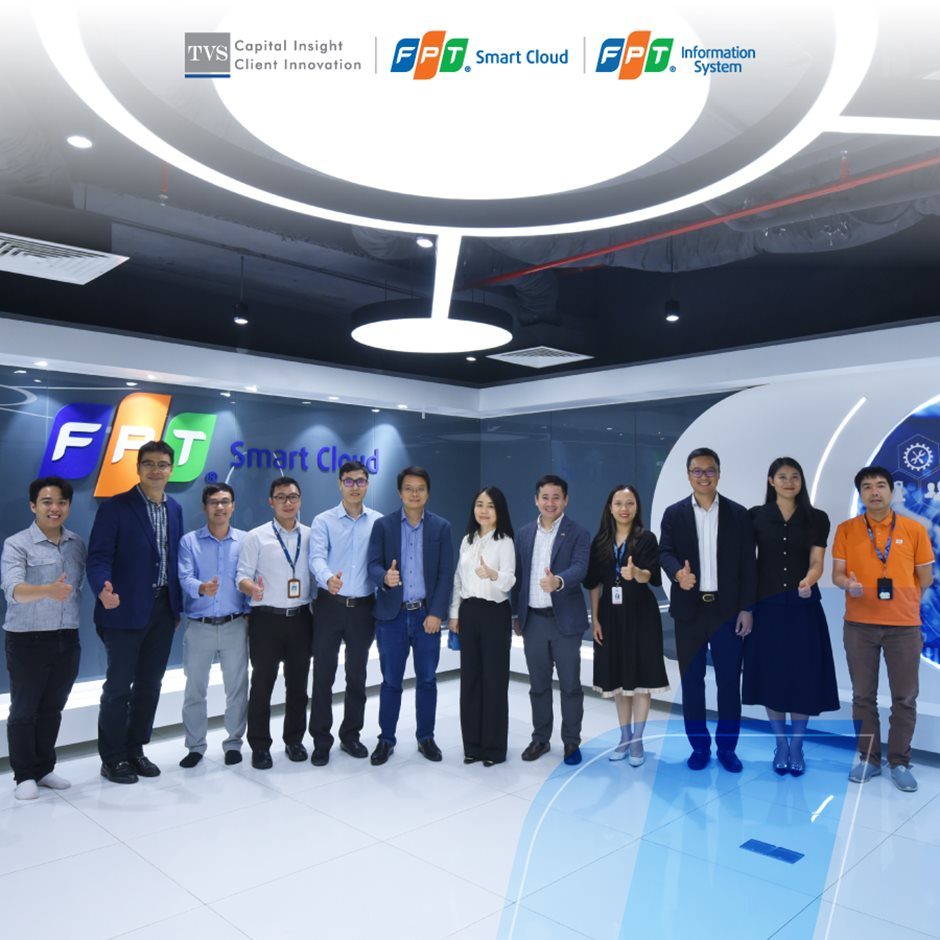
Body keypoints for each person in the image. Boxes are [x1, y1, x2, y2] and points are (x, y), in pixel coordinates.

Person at [87, 440, 184, 784]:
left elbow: (174, 559)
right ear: (138, 467)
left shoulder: (175, 508)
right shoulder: (115, 507)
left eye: (162, 464)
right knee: (118, 688)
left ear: (171, 469)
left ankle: (135, 749)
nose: (156, 470)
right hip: (123, 610)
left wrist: (176, 607)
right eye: (149, 464)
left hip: (163, 610)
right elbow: (98, 557)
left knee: (149, 685)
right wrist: (102, 589)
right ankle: (113, 758)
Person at [832, 465, 934, 792]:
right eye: (866, 487)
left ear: (891, 491)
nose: (874, 492)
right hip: (859, 626)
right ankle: (869, 758)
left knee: (905, 697)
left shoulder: (914, 529)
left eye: (880, 486)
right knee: (863, 696)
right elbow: (837, 574)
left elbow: (926, 577)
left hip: (903, 626)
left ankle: (900, 761)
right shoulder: (847, 530)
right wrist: (848, 584)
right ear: (860, 494)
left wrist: (901, 599)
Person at [659, 447, 756, 773]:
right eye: (697, 471)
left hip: (727, 612)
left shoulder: (738, 514)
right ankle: (699, 746)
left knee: (729, 682)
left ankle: (727, 748)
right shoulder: (674, 514)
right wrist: (677, 574)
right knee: (692, 682)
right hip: (689, 612)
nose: (704, 476)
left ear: (719, 473)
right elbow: (664, 551)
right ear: (688, 475)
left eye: (710, 470)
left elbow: (748, 565)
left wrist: (747, 608)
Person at [742, 458, 839, 776]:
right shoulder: (755, 516)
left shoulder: (816, 518)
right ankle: (780, 743)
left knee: (802, 676)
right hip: (766, 609)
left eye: (794, 476)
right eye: (782, 476)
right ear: (771, 481)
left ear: (801, 481)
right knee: (772, 675)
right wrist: (747, 608)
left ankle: (797, 744)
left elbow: (817, 561)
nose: (788, 482)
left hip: (803, 608)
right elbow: (748, 565)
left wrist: (809, 580)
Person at [1, 477, 85, 800]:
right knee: (24, 709)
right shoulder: (17, 544)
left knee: (53, 707)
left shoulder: (76, 543)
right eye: (47, 502)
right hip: (27, 639)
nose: (55, 508)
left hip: (67, 637)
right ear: (33, 506)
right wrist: (48, 590)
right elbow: (13, 591)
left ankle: (44, 768)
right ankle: (24, 775)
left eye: (61, 502)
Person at [366, 466, 454, 765]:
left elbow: (445, 574)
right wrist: (384, 577)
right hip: (392, 617)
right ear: (399, 492)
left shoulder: (441, 527)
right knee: (391, 681)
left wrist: (437, 613)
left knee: (427, 680)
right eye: (408, 488)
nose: (414, 494)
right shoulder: (383, 526)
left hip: (426, 616)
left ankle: (425, 737)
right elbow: (372, 564)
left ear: (427, 493)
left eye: (420, 489)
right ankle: (386, 739)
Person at [586, 484, 668, 768]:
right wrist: (595, 618)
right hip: (610, 615)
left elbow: (652, 577)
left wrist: (636, 572)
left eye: (630, 503)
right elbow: (593, 583)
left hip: (642, 615)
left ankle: (638, 740)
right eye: (619, 503)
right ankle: (624, 736)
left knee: (642, 679)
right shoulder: (600, 541)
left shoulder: (646, 538)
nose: (624, 508)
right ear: (610, 508)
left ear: (637, 507)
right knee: (619, 680)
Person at [512, 474, 591, 766]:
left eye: (556, 497)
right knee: (538, 685)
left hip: (565, 623)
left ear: (565, 500)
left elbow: (581, 568)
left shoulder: (578, 533)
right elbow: (518, 577)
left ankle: (571, 741)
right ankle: (540, 739)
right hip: (533, 620)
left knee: (570, 686)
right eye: (545, 497)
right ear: (536, 500)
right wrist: (516, 614)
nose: (550, 502)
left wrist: (558, 581)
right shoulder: (524, 533)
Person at [236, 477, 313, 770]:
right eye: (281, 497)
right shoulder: (256, 537)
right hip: (266, 621)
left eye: (293, 497)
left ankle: (294, 740)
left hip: (301, 619)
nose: (288, 502)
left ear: (300, 500)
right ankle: (259, 746)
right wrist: (251, 588)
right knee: (262, 685)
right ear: (271, 502)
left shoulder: (311, 535)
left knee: (298, 685)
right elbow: (241, 576)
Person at [308, 460, 381, 766]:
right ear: (340, 484)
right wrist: (328, 579)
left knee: (357, 675)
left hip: (363, 609)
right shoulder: (323, 520)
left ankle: (351, 735)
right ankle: (321, 740)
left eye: (360, 481)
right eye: (349, 481)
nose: (354, 487)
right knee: (323, 675)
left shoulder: (378, 521)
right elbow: (316, 557)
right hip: (329, 606)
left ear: (367, 484)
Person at [177, 483, 250, 768]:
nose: (220, 507)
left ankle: (233, 743)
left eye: (225, 501)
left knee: (237, 689)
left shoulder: (246, 541)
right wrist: (201, 588)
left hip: (235, 624)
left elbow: (250, 576)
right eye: (214, 502)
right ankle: (195, 747)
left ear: (233, 506)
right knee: (195, 690)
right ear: (204, 507)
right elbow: (184, 577)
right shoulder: (189, 542)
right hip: (199, 626)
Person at [448, 486, 516, 767]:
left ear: (499, 510)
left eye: (490, 505)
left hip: (495, 613)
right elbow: (458, 579)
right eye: (479, 504)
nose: (484, 510)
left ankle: (493, 749)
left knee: (494, 681)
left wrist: (492, 573)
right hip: (469, 611)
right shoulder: (467, 540)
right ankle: (472, 746)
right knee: (471, 680)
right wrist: (454, 613)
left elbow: (510, 580)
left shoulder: (505, 542)